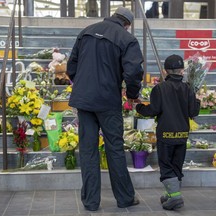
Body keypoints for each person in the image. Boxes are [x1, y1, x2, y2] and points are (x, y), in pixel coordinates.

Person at [66, 6, 144, 211]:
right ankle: (125, 198)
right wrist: (133, 94)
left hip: (84, 101)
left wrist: (84, 86)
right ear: (127, 24)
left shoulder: (86, 31)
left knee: (88, 150)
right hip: (108, 101)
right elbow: (134, 71)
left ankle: (91, 202)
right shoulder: (127, 39)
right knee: (114, 148)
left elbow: (71, 67)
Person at [136, 54, 201, 210]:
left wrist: (139, 106)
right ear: (182, 71)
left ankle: (175, 197)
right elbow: (193, 112)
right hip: (182, 134)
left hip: (166, 134)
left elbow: (153, 110)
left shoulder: (160, 88)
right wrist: (196, 98)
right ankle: (170, 193)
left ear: (165, 72)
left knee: (166, 165)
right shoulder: (188, 88)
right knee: (176, 164)